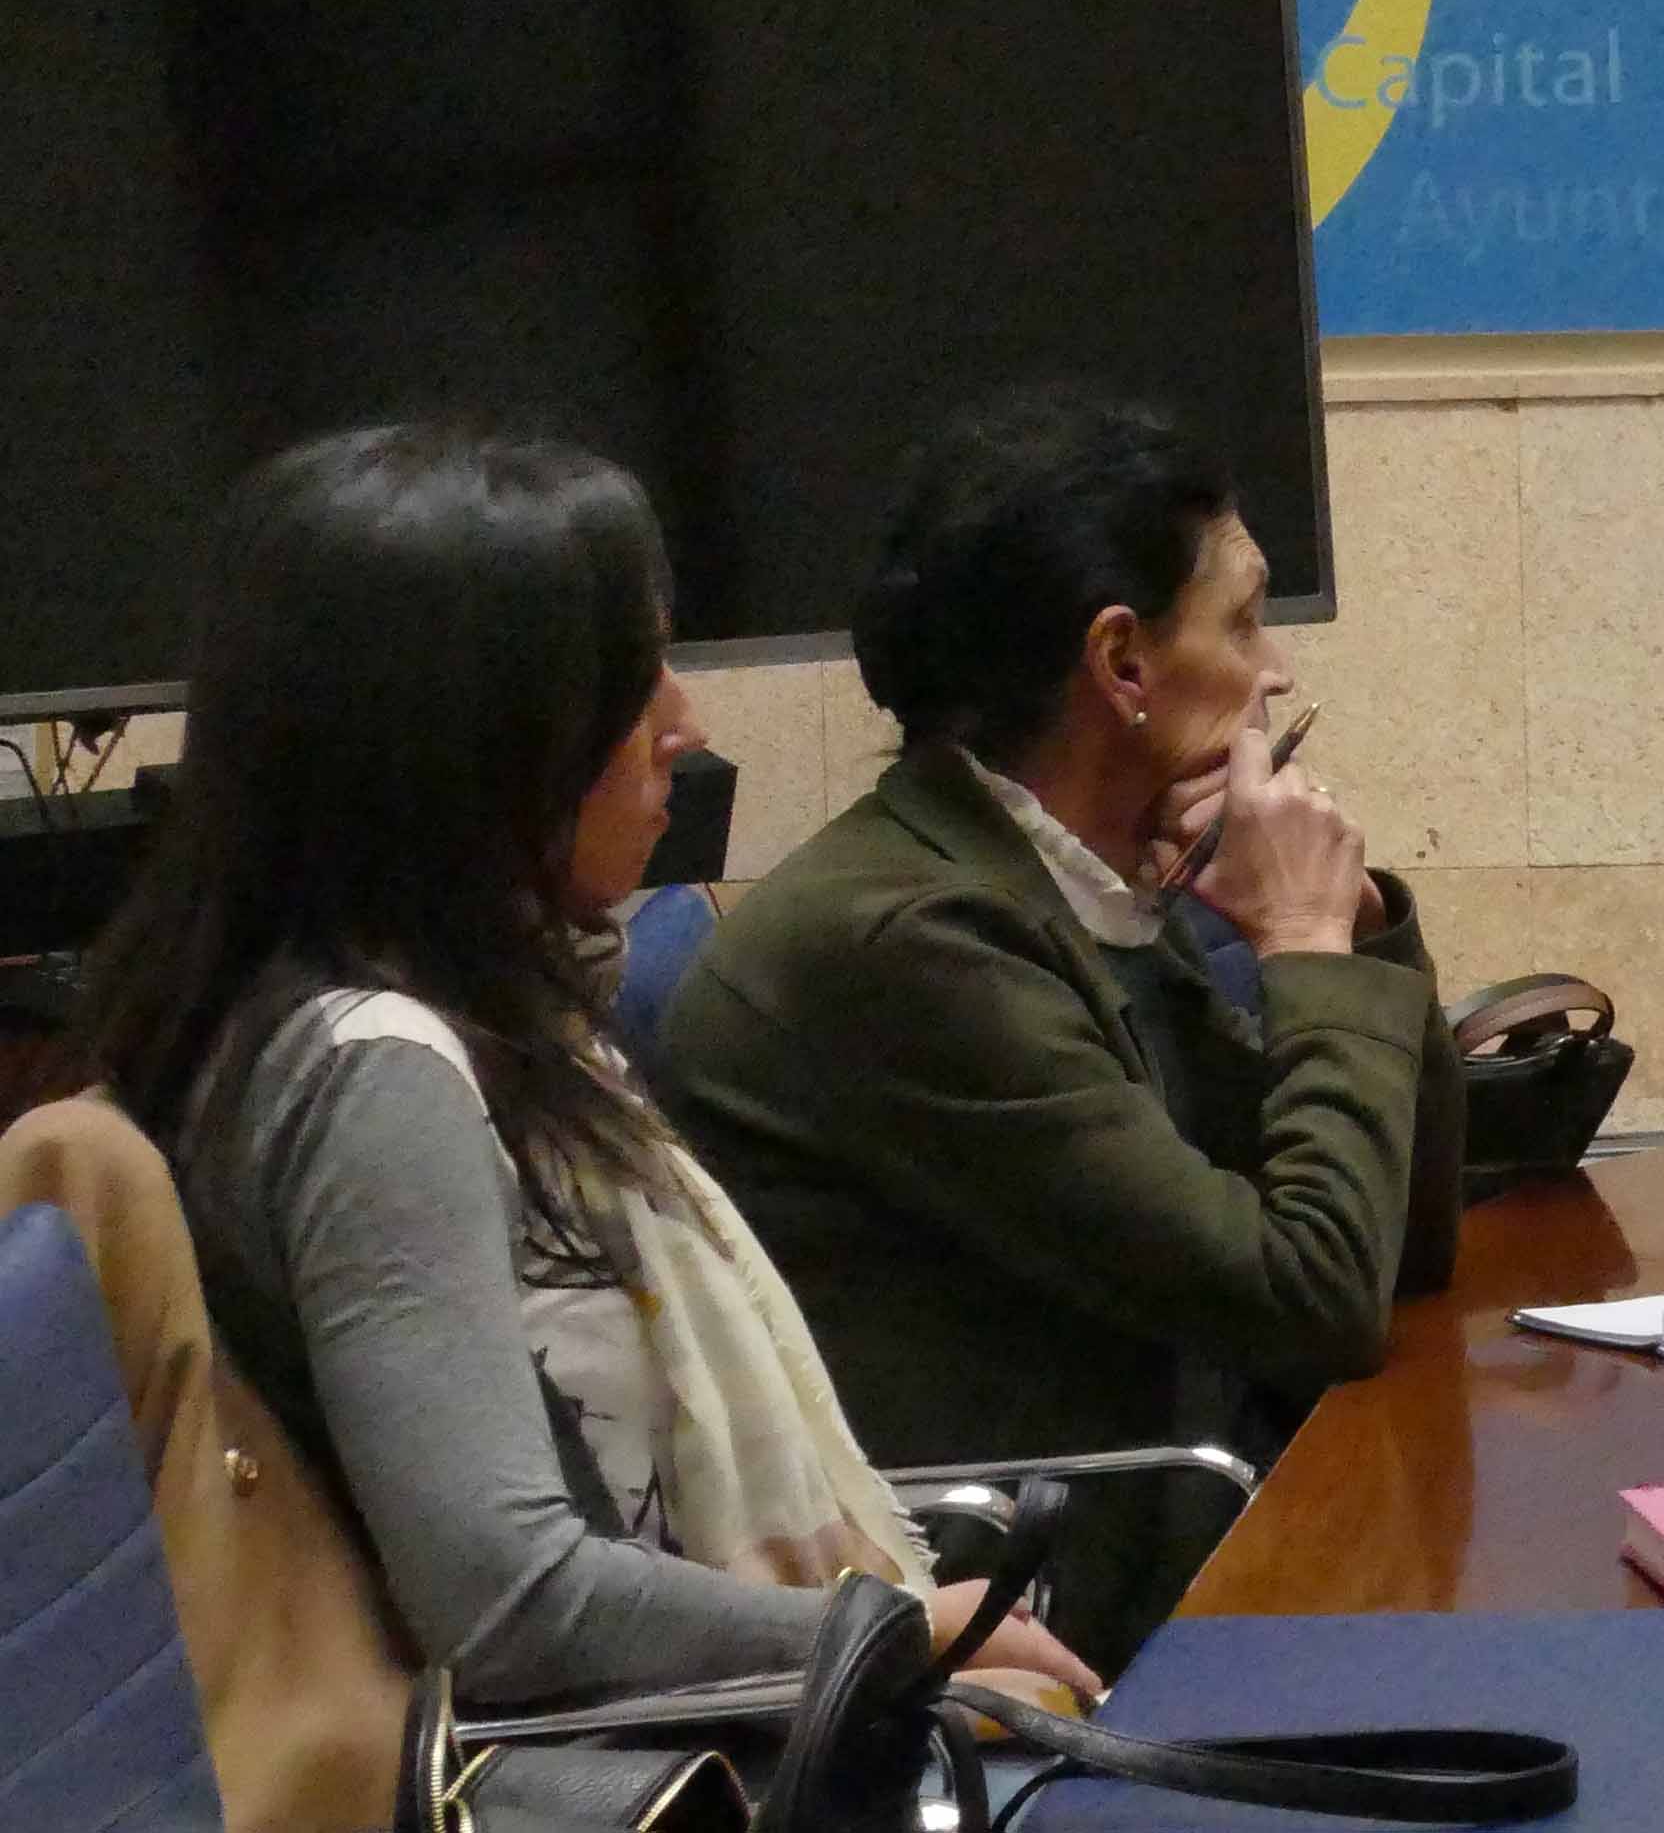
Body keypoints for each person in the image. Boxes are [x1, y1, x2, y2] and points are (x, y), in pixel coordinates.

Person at [79, 426, 1097, 1706]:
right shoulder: (379, 1079)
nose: (686, 723)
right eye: (638, 680)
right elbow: (509, 1602)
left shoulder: (425, 1008)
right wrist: (882, 1632)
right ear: (478, 736)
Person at [657, 389, 1460, 1661]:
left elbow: (1395, 1244)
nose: (1276, 672)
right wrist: (1304, 949)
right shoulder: (914, 940)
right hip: (1030, 1619)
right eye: (1245, 619)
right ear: (1123, 663)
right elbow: (1312, 1294)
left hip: (1175, 1523)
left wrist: (1353, 932)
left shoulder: (1072, 885)